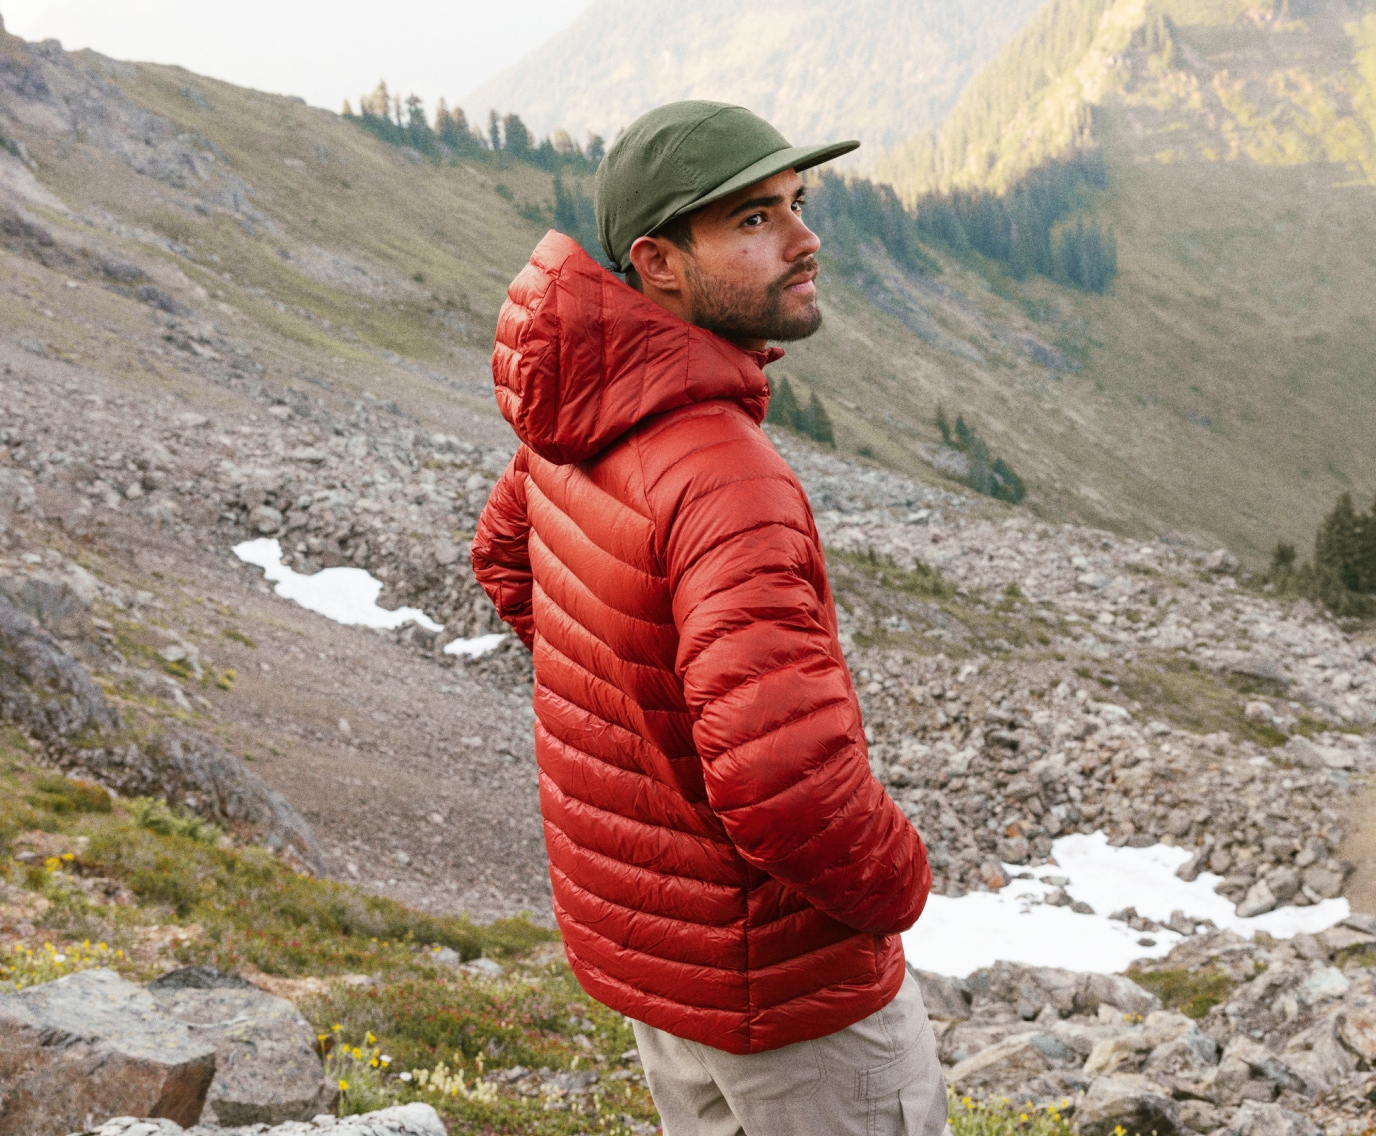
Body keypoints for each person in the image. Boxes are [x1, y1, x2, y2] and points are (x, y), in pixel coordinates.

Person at [472, 101, 945, 1136]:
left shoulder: (582, 410)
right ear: (657, 262)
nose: (803, 236)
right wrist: (899, 883)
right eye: (750, 220)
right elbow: (782, 783)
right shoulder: (727, 476)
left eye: (796, 204)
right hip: (790, 992)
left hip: (671, 960)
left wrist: (649, 740)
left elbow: (509, 560)